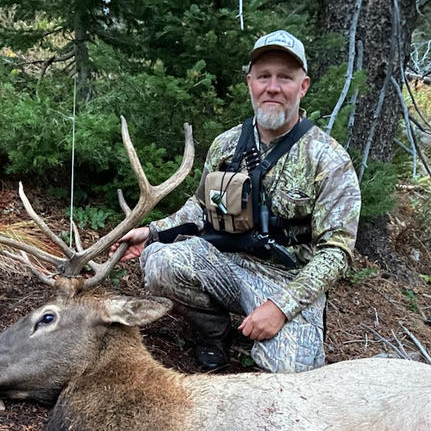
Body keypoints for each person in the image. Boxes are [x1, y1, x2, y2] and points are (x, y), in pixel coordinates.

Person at [116, 30, 361, 372]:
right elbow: (200, 208)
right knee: (161, 262)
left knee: (291, 376)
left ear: (302, 86)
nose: (272, 87)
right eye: (263, 77)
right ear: (250, 83)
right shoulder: (226, 144)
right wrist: (154, 232)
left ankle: (272, 329)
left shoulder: (329, 160)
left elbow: (336, 252)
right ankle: (214, 333)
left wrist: (281, 306)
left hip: (288, 281)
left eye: (285, 78)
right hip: (228, 264)